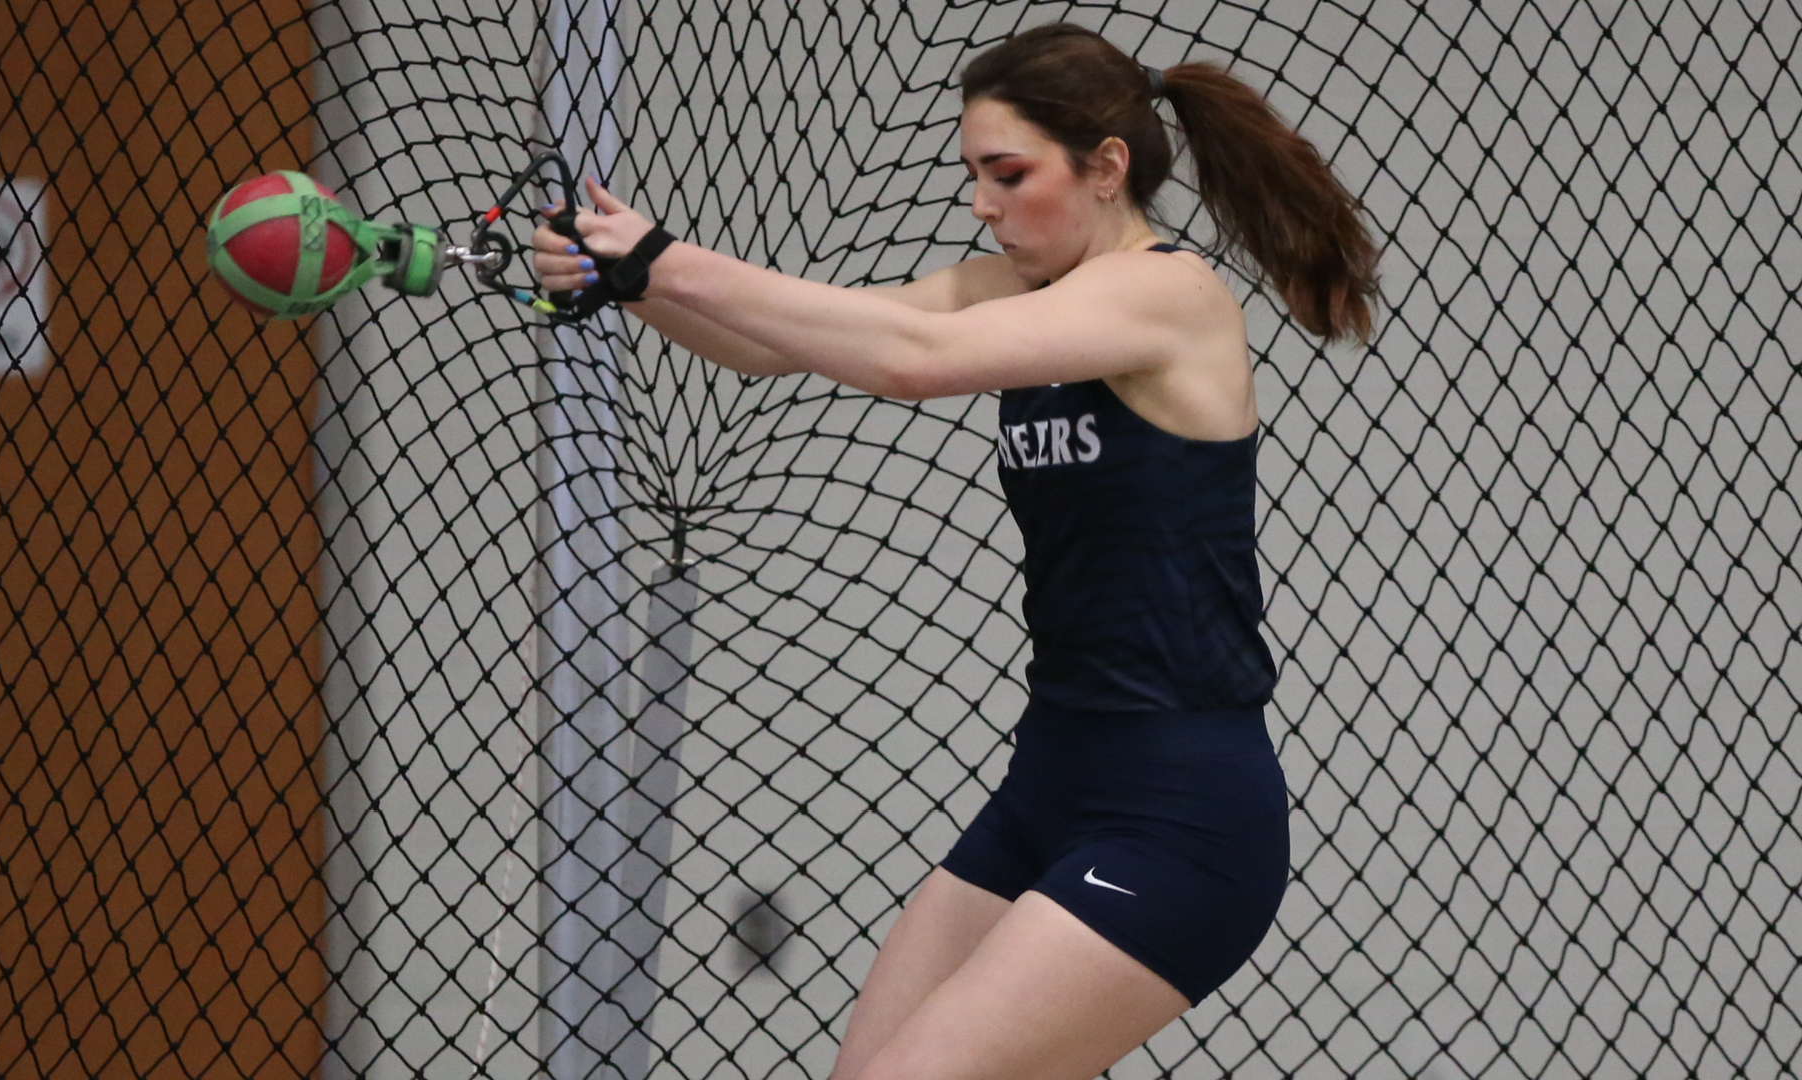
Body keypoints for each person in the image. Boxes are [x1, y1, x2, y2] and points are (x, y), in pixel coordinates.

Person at [533, 21, 1379, 1080]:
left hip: (1181, 817)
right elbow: (764, 346)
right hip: (1049, 787)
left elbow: (915, 363)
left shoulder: (1171, 295)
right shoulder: (1003, 287)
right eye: (974, 173)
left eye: (1008, 173)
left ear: (1107, 167)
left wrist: (662, 258)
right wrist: (625, 283)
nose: (982, 201)